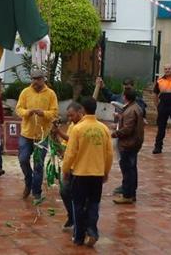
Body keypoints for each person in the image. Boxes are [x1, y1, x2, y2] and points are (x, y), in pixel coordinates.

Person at [62, 97, 113, 247]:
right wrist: (106, 171)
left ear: (82, 110)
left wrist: (66, 170)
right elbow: (109, 154)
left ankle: (78, 237)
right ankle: (92, 231)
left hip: (80, 173)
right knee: (94, 204)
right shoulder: (103, 128)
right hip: (97, 173)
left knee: (78, 205)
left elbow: (70, 153)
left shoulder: (78, 129)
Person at [16, 69, 59, 201]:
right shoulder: (25, 92)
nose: (35, 81)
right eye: (33, 79)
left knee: (38, 164)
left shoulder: (51, 94)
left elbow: (54, 112)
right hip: (26, 133)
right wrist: (27, 112)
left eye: (38, 79)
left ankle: (36, 191)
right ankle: (28, 181)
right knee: (23, 159)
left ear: (43, 79)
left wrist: (44, 113)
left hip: (42, 135)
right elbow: (18, 109)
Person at [51, 101, 84, 232]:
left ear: (80, 113)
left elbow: (72, 140)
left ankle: (81, 224)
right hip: (70, 166)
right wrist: (54, 138)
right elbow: (65, 147)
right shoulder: (72, 125)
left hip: (81, 167)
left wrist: (58, 132)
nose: (70, 119)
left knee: (79, 196)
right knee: (64, 191)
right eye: (68, 116)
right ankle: (72, 216)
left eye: (72, 116)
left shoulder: (82, 127)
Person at [111, 88, 144, 204]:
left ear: (125, 97)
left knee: (127, 170)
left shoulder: (131, 110)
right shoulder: (134, 107)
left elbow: (128, 129)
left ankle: (127, 195)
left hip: (128, 144)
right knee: (131, 169)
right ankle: (130, 193)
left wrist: (115, 133)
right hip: (134, 143)